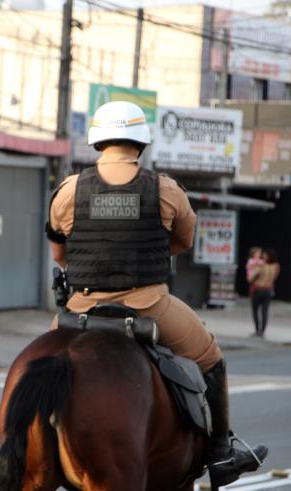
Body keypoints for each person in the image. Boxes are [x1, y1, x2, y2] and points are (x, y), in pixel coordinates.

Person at [44, 101, 268, 488]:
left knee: (43, 361)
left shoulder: (68, 191)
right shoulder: (165, 190)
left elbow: (59, 253)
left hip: (79, 309)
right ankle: (221, 452)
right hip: (148, 306)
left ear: (98, 142)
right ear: (140, 144)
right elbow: (181, 242)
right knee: (211, 356)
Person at [250, 249, 280, 338]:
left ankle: (257, 330)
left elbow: (251, 278)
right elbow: (275, 277)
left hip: (258, 289)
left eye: (265, 255)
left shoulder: (261, 266)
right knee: (265, 311)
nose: (263, 256)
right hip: (268, 290)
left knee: (255, 310)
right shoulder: (276, 266)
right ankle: (262, 331)